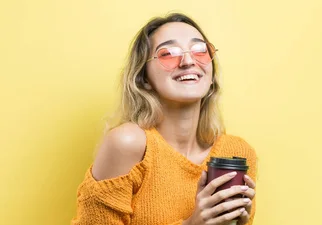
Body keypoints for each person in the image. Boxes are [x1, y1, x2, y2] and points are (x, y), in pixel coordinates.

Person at [71, 13, 258, 225]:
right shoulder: (129, 144)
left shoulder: (237, 153)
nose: (188, 61)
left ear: (211, 72)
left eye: (200, 51)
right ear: (144, 79)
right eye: (168, 53)